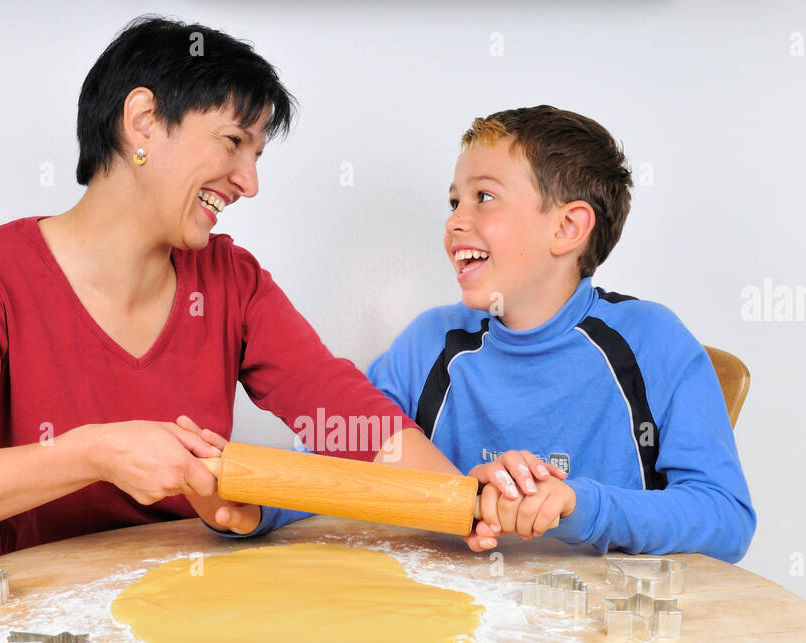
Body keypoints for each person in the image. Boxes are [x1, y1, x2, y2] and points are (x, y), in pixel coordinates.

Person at [0, 15, 471, 566]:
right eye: (233, 142)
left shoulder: (234, 283)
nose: (249, 182)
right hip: (38, 635)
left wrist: (466, 505)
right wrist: (93, 453)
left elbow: (354, 423)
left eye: (257, 155)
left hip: (189, 605)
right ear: (143, 123)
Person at [253, 106, 756, 563]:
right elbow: (344, 460)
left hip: (605, 637)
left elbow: (726, 519)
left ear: (567, 228)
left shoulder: (652, 342)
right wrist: (254, 504)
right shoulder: (429, 343)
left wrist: (580, 505)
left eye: (484, 197)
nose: (455, 221)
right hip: (445, 616)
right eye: (454, 202)